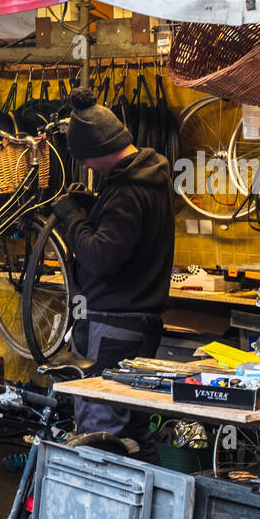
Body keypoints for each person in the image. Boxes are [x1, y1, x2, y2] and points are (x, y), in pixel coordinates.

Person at [50, 87, 175, 463]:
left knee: (103, 438)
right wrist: (93, 207)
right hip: (136, 326)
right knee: (134, 431)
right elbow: (122, 237)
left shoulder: (127, 192)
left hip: (114, 328)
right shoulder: (150, 177)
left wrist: (71, 215)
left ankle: (113, 518)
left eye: (85, 160)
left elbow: (101, 257)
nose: (85, 168)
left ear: (99, 149)